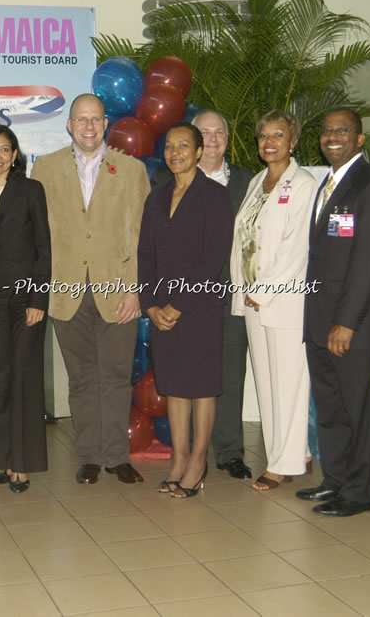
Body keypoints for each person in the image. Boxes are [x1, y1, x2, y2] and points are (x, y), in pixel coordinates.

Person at [31, 93, 149, 485]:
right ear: (69, 125)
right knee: (81, 378)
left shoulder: (131, 170)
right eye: (81, 119)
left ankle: (118, 456)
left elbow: (141, 237)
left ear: (105, 124)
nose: (88, 126)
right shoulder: (44, 169)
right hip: (65, 291)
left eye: (95, 119)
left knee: (115, 376)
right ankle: (90, 457)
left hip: (118, 291)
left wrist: (135, 290)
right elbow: (36, 234)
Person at [297, 108, 370, 517]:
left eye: (343, 130)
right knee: (332, 408)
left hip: (352, 326)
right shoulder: (328, 184)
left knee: (359, 410)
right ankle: (335, 480)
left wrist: (346, 323)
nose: (332, 136)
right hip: (320, 321)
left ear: (360, 139)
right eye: (327, 130)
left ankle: (360, 493)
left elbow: (369, 262)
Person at [153, 110, 255, 480]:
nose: (211, 139)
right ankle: (185, 456)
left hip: (224, 296)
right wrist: (157, 301)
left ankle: (226, 453)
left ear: (226, 139)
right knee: (180, 379)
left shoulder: (246, 182)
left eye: (218, 133)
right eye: (204, 132)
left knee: (223, 376)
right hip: (175, 299)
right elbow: (152, 246)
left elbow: (233, 246)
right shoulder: (163, 183)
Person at [138, 122, 233, 497]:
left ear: (199, 152)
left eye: (184, 146)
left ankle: (197, 461)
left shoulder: (215, 197)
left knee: (201, 387)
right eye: (170, 147)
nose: (175, 153)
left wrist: (178, 304)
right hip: (161, 309)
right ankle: (177, 460)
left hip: (200, 308)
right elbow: (146, 255)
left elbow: (213, 259)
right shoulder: (156, 198)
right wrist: (151, 304)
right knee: (175, 386)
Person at [229, 110, 318, 490]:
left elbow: (296, 248)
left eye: (278, 135)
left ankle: (283, 463)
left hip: (284, 300)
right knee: (266, 382)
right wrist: (244, 292)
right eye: (264, 135)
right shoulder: (256, 182)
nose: (269, 142)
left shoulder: (304, 184)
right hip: (251, 299)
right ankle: (298, 452)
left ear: (293, 141)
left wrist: (264, 290)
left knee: (290, 383)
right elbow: (242, 241)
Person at [0, 125, 51, 493]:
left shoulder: (31, 191)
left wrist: (39, 300)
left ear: (15, 155)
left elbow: (43, 249)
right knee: (3, 377)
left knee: (25, 378)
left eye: (5, 149)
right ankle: (6, 461)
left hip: (26, 299)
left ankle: (24, 463)